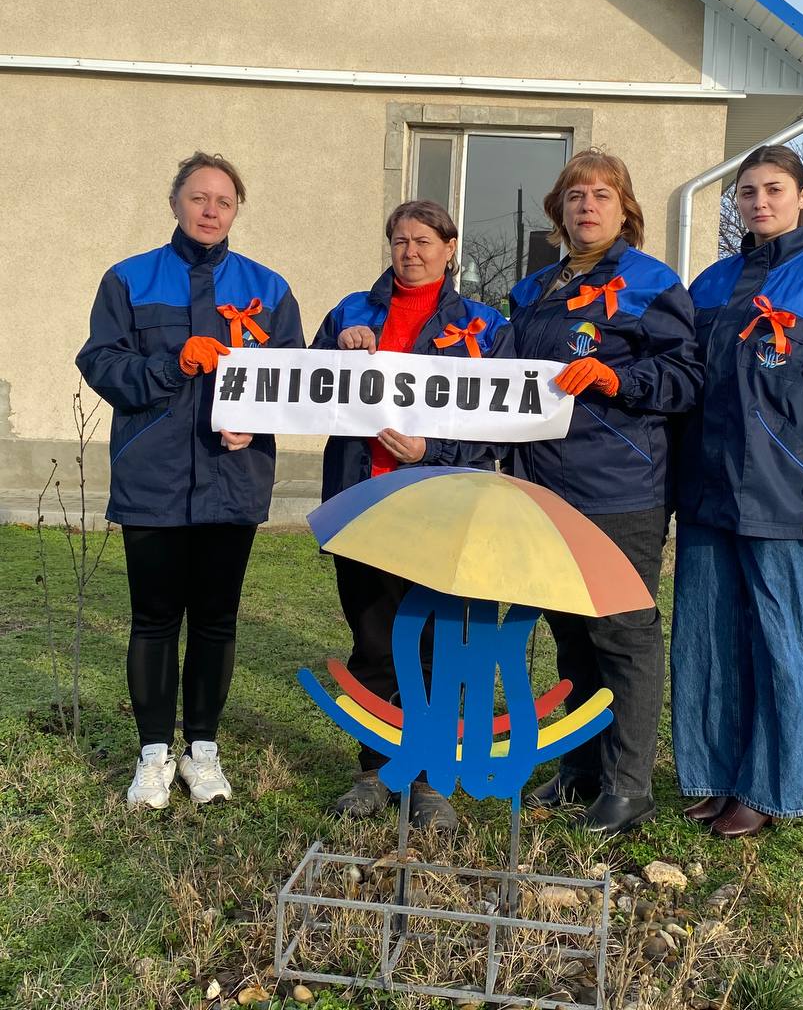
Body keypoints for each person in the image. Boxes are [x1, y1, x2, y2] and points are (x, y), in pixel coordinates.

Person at [77, 151, 304, 811]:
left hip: (233, 480)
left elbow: (292, 379)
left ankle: (202, 749)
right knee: (153, 620)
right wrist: (172, 364)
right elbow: (100, 361)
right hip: (154, 476)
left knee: (215, 620)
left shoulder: (268, 288)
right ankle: (154, 753)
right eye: (199, 197)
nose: (210, 210)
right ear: (175, 202)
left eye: (223, 201)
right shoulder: (129, 279)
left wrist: (255, 425)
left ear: (236, 211)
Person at [671, 144, 803, 838]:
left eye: (773, 189)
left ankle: (771, 788)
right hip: (707, 494)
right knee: (706, 640)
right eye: (747, 192)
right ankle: (713, 775)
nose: (759, 202)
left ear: (802, 196)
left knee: (777, 644)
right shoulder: (711, 283)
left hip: (783, 498)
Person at [509, 149, 702, 834]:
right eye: (575, 195)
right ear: (558, 212)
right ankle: (581, 766)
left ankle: (629, 787)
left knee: (621, 634)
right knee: (570, 631)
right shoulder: (533, 290)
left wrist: (619, 379)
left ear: (626, 211)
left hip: (620, 487)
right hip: (544, 484)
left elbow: (686, 378)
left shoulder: (652, 283)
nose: (587, 206)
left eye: (602, 195)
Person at [311, 199, 514, 831]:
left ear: (450, 249)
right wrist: (339, 351)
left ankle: (429, 777)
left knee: (436, 644)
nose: (411, 252)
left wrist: (435, 451)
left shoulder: (485, 325)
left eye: (425, 241)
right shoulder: (352, 311)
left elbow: (500, 425)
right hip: (363, 501)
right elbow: (307, 390)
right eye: (400, 240)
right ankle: (374, 770)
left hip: (442, 506)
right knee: (373, 641)